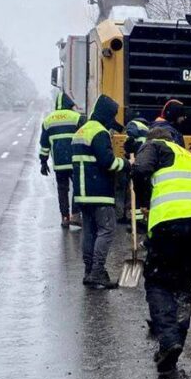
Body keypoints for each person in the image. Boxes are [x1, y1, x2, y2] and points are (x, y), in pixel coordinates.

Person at [132, 128, 191, 374]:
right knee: (182, 280)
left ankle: (169, 340)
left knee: (158, 280)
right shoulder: (187, 155)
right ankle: (175, 342)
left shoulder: (154, 146)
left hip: (170, 219)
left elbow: (140, 171)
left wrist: (145, 201)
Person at [71, 94, 125, 289]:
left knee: (90, 231)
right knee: (106, 231)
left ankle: (89, 271)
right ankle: (97, 272)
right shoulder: (99, 133)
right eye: (112, 116)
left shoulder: (82, 130)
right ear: (106, 115)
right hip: (99, 191)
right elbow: (108, 162)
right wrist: (126, 164)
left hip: (82, 193)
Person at [39, 91, 84, 228]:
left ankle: (65, 217)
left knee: (62, 190)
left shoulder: (48, 121)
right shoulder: (77, 118)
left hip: (59, 163)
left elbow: (44, 145)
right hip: (75, 160)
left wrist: (43, 162)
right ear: (69, 104)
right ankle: (76, 215)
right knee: (78, 187)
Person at [118, 115, 151, 226]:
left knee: (132, 188)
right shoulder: (147, 128)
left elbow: (131, 136)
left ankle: (135, 221)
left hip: (136, 158)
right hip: (145, 158)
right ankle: (141, 219)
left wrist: (128, 146)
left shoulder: (133, 124)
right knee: (142, 189)